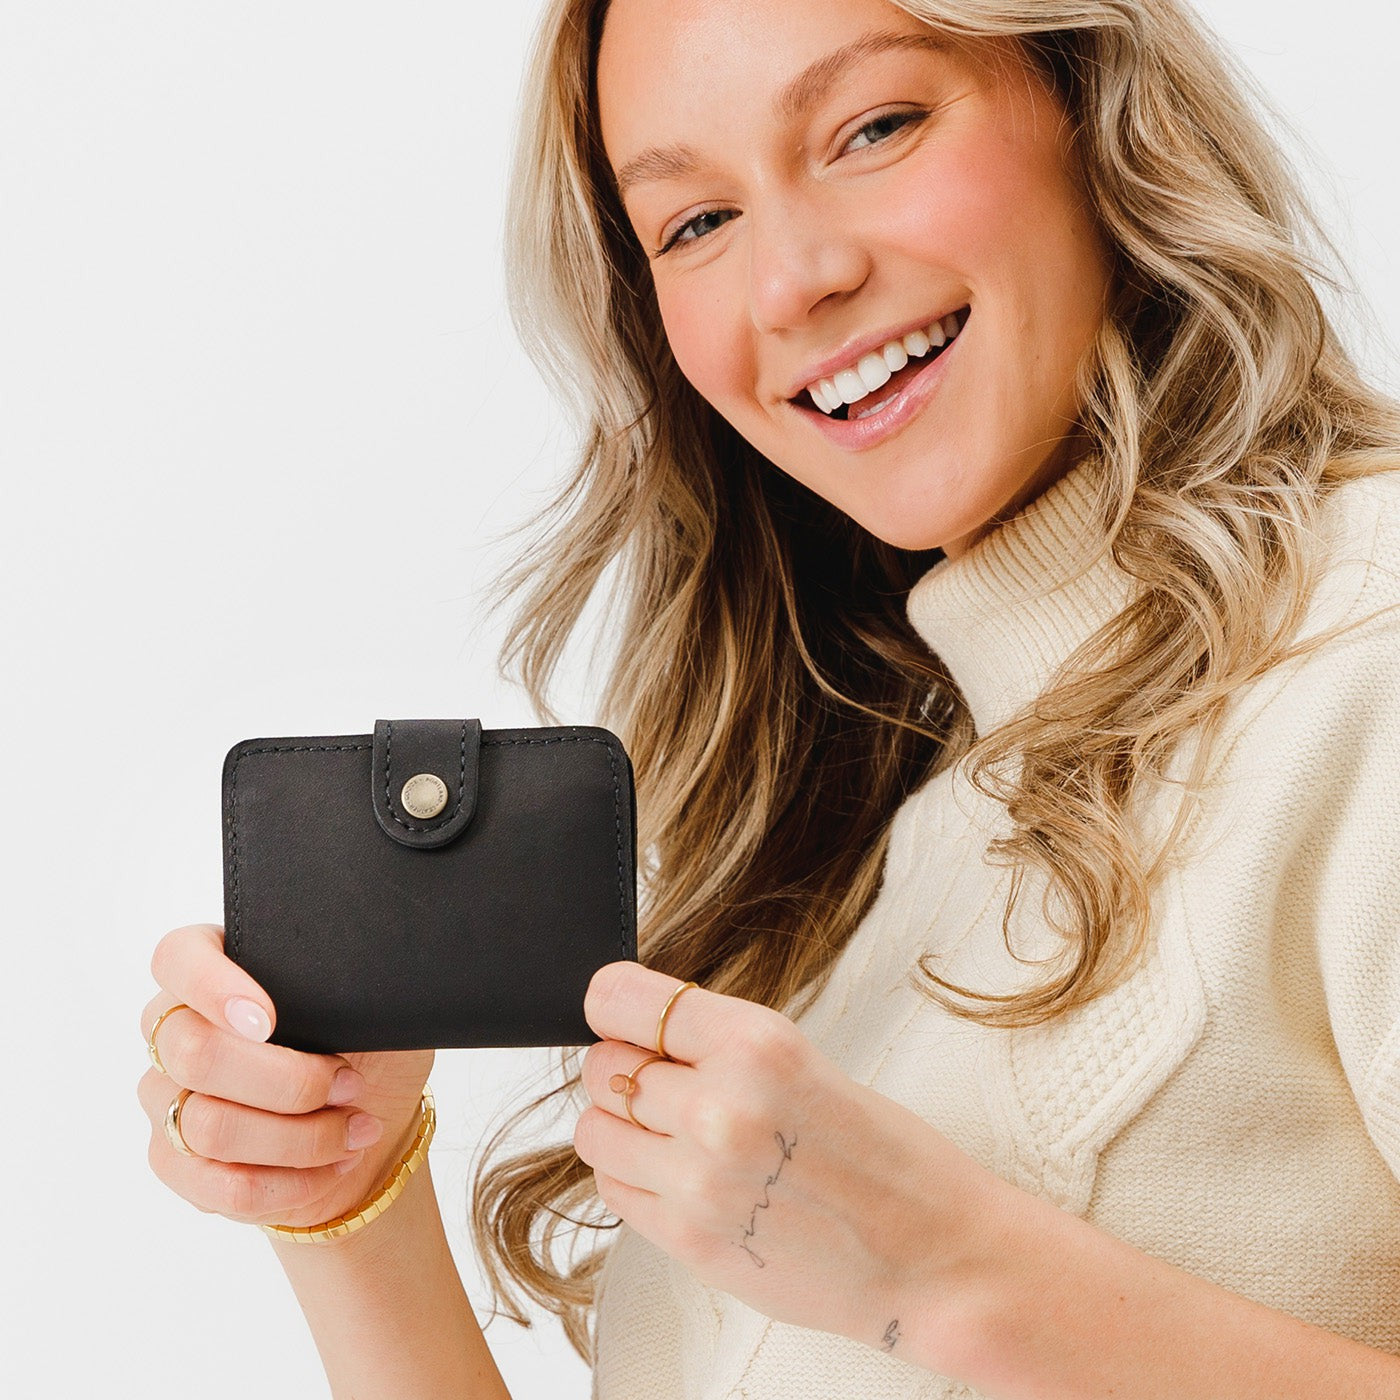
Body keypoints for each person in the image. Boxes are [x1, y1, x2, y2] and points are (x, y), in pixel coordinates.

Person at [138, 0, 1400, 1394]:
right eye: (695, 223)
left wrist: (953, 1276)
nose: (792, 282)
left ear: (1089, 98)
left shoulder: (1369, 648)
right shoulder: (850, 869)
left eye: (874, 128)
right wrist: (346, 1200)